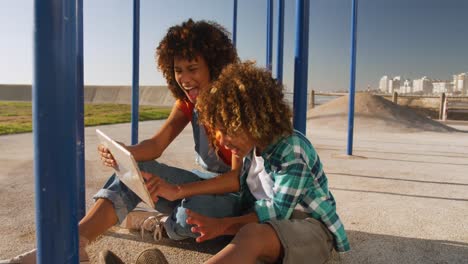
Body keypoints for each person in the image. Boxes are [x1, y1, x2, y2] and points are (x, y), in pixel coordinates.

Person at [2, 19, 241, 264]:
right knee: (137, 171)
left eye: (193, 68)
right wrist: (125, 152)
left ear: (214, 65)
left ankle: (157, 223)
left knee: (191, 214)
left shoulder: (237, 106)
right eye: (178, 70)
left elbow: (236, 180)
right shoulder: (188, 103)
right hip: (204, 183)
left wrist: (179, 191)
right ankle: (73, 244)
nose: (184, 78)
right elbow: (156, 145)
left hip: (239, 195)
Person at [134, 62, 351, 264]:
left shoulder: (291, 149)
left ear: (255, 120)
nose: (222, 141)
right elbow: (246, 196)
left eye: (228, 131)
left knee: (250, 234)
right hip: (269, 228)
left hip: (310, 230)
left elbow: (278, 211)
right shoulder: (252, 150)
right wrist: (184, 196)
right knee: (234, 227)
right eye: (218, 131)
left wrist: (221, 225)